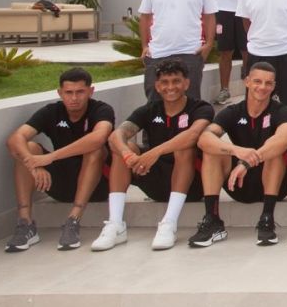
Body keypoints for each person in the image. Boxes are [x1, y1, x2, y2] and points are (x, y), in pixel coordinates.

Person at [91, 60, 213, 251]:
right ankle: (116, 224)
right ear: (157, 86)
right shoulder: (149, 109)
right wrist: (127, 155)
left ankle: (169, 223)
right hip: (154, 179)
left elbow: (192, 135)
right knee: (124, 147)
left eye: (176, 81)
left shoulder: (201, 108)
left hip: (192, 184)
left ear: (186, 83)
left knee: (184, 147)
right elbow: (116, 135)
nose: (170, 87)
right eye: (165, 82)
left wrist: (154, 152)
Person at [5, 68, 114, 252]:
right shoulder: (52, 111)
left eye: (80, 92)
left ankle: (73, 221)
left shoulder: (101, 109)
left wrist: (50, 157)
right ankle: (25, 223)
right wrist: (33, 164)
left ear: (91, 91)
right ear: (60, 93)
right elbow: (15, 139)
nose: (74, 98)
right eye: (69, 92)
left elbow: (99, 138)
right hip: (60, 184)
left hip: (97, 186)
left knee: (95, 150)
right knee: (28, 148)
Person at [191, 62, 287, 247]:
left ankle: (267, 218)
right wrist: (236, 150)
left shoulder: (281, 111)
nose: (262, 87)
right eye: (257, 81)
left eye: (268, 83)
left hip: (276, 184)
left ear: (274, 86)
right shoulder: (232, 112)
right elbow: (204, 139)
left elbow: (285, 139)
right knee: (212, 151)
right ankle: (213, 219)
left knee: (275, 150)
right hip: (238, 182)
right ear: (247, 82)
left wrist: (246, 162)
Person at [138, 0, 217, 100]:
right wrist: (145, 46)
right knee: (154, 99)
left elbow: (209, 17)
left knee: (190, 101)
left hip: (190, 51)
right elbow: (145, 16)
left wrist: (208, 45)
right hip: (158, 52)